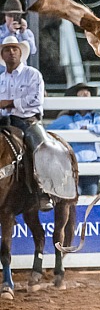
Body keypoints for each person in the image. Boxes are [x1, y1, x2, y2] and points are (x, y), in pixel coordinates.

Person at [0, 35, 55, 211]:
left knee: (40, 145)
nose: (11, 53)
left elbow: (36, 100)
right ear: (3, 55)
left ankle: (43, 191)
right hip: (3, 121)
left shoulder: (32, 74)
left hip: (27, 120)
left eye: (14, 49)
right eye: (7, 50)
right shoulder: (1, 78)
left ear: (20, 53)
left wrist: (10, 102)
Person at [48, 83, 100, 196]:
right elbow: (48, 131)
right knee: (74, 198)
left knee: (90, 196)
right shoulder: (66, 119)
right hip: (71, 165)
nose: (85, 95)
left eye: (87, 94)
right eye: (81, 94)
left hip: (92, 162)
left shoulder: (95, 118)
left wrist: (89, 127)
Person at [0, 0, 37, 72]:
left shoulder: (27, 33)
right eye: (11, 15)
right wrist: (9, 32)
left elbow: (33, 51)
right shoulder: (1, 31)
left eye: (17, 15)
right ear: (5, 16)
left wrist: (24, 33)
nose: (13, 19)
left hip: (20, 74)